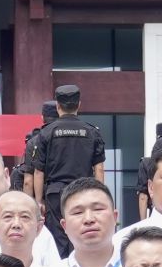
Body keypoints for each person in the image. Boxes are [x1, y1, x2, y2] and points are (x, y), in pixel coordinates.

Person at [20, 85, 104, 227]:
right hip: (83, 191)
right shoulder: (92, 132)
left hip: (55, 195)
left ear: (58, 106)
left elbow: (38, 171)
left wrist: (39, 201)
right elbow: (99, 169)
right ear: (79, 105)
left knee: (58, 235)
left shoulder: (46, 133)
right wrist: (99, 195)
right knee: (82, 230)